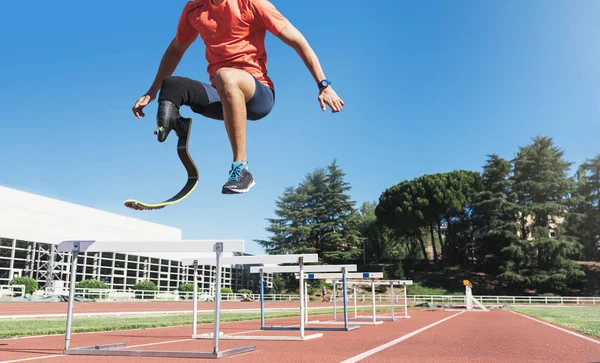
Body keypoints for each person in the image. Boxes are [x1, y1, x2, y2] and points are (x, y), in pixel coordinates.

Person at [132, 0, 345, 194]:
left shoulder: (253, 4)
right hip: (222, 95)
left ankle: (241, 169)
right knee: (171, 86)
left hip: (258, 95)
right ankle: (179, 126)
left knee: (225, 75)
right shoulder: (193, 9)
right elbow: (176, 49)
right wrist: (152, 92)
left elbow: (298, 41)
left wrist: (323, 84)